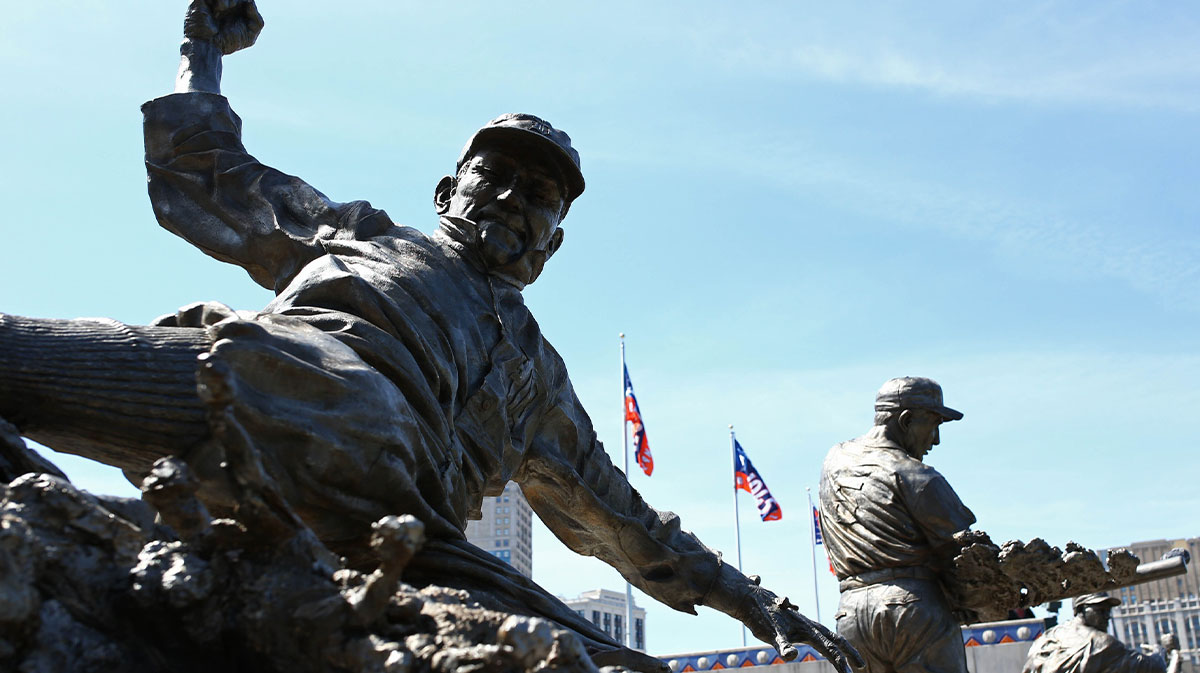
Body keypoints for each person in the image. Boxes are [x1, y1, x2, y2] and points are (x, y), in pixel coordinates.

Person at [0, 2, 860, 672]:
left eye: (541, 197)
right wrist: (203, 50)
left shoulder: (539, 381)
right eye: (502, 176)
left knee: (597, 658)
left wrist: (753, 598)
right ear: (450, 189)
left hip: (406, 536)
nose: (518, 199)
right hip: (252, 391)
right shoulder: (367, 234)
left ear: (552, 243)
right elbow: (208, 170)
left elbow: (624, 522)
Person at [818, 376, 974, 673]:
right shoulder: (917, 476)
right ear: (905, 420)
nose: (935, 439)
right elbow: (964, 553)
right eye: (934, 424)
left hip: (851, 614)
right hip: (913, 609)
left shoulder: (833, 460)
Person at [1023, 593, 1179, 673]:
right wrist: (1160, 652)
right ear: (1080, 610)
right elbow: (1154, 667)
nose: (1107, 616)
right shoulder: (1102, 642)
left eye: (1108, 610)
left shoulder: (1048, 635)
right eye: (1100, 610)